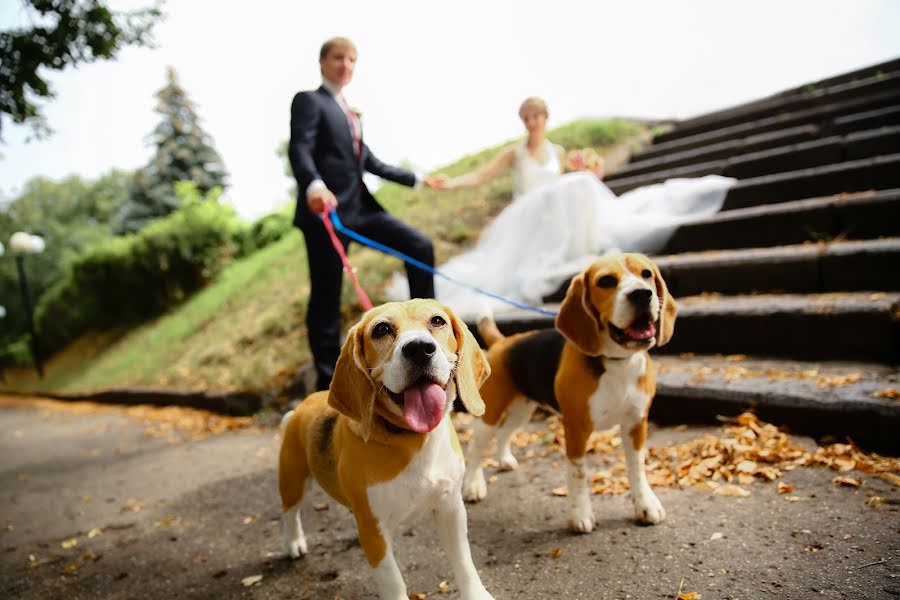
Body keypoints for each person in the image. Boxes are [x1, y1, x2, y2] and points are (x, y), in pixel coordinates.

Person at [391, 96, 736, 319]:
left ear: (545, 118)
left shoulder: (556, 151)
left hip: (556, 214)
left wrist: (592, 171)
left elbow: (578, 175)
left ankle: (579, 241)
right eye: (525, 118)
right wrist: (448, 182)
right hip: (528, 214)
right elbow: (482, 175)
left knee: (580, 184)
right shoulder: (516, 151)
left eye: (535, 117)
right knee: (574, 187)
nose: (530, 123)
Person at [289, 37, 444, 391]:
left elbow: (369, 161)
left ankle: (425, 336)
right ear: (323, 62)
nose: (346, 65)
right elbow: (300, 147)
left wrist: (418, 179)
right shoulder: (309, 101)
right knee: (327, 295)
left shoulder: (349, 111)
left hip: (362, 210)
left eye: (352, 60)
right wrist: (313, 186)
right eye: (338, 58)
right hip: (325, 212)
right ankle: (328, 383)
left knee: (419, 247)